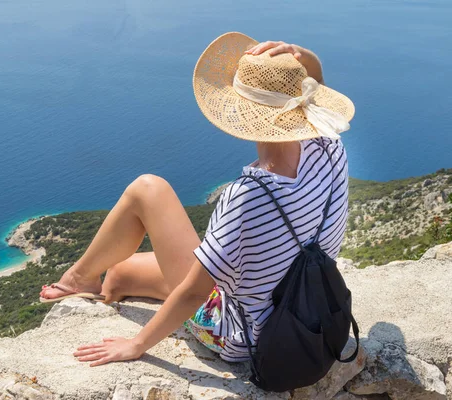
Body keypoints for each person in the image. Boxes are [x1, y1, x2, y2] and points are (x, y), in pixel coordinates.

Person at [39, 32, 354, 366]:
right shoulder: (330, 144)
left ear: (242, 112)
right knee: (119, 272)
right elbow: (314, 87)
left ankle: (78, 279)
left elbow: (194, 293)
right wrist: (301, 56)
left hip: (244, 334)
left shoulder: (249, 196)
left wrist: (136, 345)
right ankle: (90, 283)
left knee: (148, 189)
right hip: (304, 306)